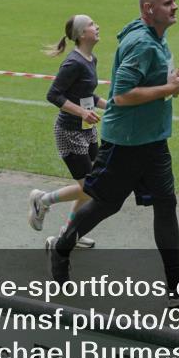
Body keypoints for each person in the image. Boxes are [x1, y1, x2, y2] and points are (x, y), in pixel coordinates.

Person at [49, 0, 179, 307]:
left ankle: (177, 287)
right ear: (149, 9)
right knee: (106, 204)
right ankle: (62, 247)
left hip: (153, 140)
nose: (175, 6)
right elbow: (123, 95)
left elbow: (155, 85)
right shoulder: (141, 43)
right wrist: (169, 88)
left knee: (166, 204)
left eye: (174, 1)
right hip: (125, 142)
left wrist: (173, 84)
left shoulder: (157, 37)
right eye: (168, 3)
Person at [29, 14, 107, 250]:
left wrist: (110, 105)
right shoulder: (73, 63)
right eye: (92, 24)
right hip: (69, 133)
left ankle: (70, 232)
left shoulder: (91, 59)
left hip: (87, 130)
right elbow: (53, 95)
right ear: (82, 34)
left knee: (93, 185)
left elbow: (86, 94)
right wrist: (82, 113)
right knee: (90, 187)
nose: (97, 26)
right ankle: (43, 200)